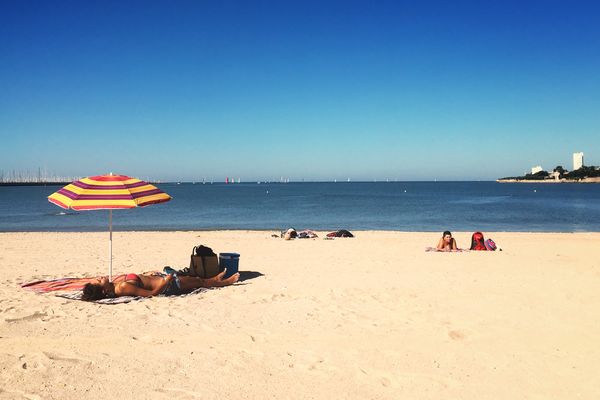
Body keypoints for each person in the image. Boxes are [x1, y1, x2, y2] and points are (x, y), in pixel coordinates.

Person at [81, 270, 239, 301]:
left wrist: (147, 275)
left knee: (196, 279)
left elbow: (140, 281)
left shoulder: (115, 285)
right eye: (98, 280)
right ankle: (225, 282)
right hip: (169, 285)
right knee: (199, 281)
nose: (100, 277)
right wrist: (164, 281)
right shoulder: (122, 288)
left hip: (163, 279)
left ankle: (215, 278)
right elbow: (151, 294)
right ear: (103, 289)